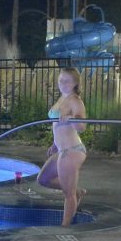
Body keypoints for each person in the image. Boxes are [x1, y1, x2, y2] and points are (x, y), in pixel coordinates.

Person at [36, 67, 88, 227]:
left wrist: (72, 118)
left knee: (68, 194)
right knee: (43, 179)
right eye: (60, 80)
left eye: (66, 81)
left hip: (72, 150)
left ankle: (65, 227)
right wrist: (54, 144)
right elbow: (57, 125)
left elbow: (82, 126)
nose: (62, 83)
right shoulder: (62, 98)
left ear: (75, 83)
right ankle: (76, 191)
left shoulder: (75, 100)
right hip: (62, 149)